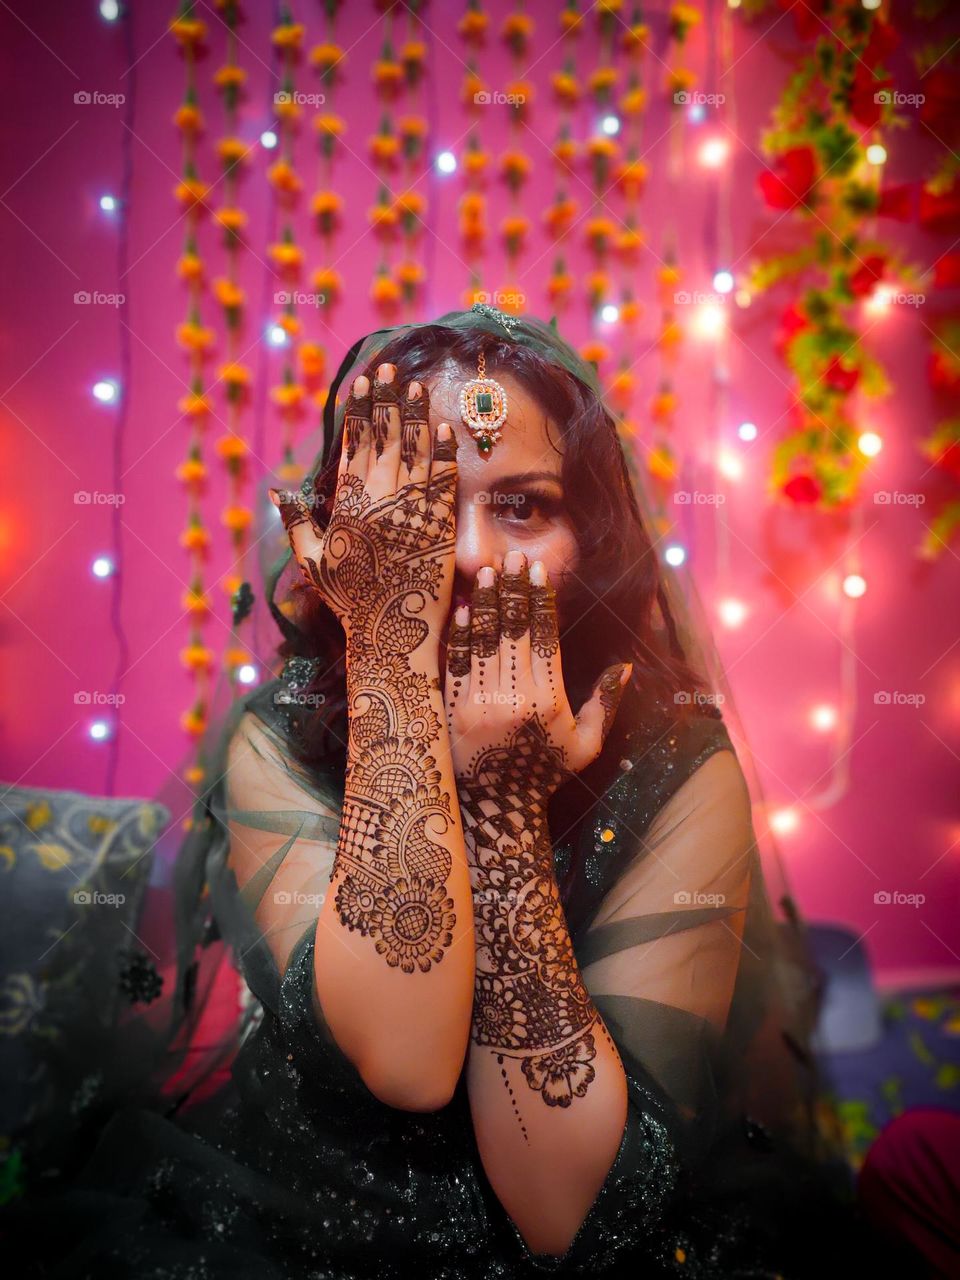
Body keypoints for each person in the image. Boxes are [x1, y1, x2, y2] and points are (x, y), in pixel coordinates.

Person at [3, 305, 860, 1277]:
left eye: (524, 506)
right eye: (415, 504)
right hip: (297, 1225)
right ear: (341, 535)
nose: (462, 555)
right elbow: (407, 1063)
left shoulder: (677, 759)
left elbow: (561, 1212)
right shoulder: (280, 736)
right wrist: (392, 660)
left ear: (593, 546)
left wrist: (503, 808)